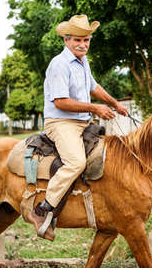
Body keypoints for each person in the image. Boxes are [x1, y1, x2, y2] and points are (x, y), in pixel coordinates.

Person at [30, 14, 128, 240]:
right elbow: (60, 101)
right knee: (76, 162)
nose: (83, 45)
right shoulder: (59, 64)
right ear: (66, 40)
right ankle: (43, 208)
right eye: (77, 40)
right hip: (61, 122)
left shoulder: (83, 62)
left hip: (83, 122)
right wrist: (95, 109)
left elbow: (94, 86)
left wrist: (115, 104)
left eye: (87, 40)